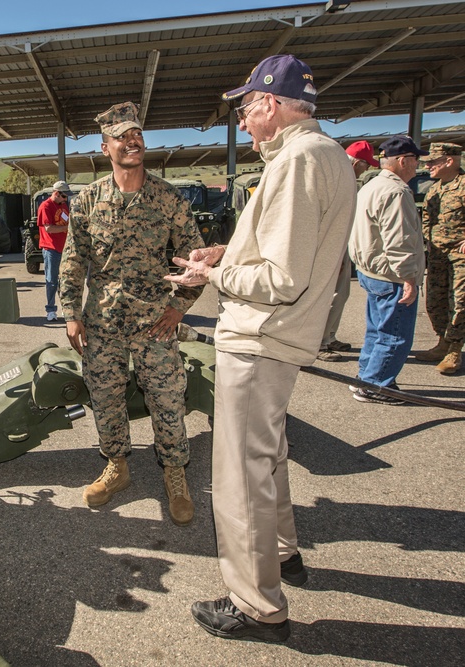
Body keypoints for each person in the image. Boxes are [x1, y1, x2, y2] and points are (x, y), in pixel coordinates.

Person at [166, 55, 356, 642]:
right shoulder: (323, 155)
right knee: (267, 456)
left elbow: (280, 278)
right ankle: (284, 554)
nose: (244, 121)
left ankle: (256, 606)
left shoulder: (296, 162)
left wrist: (211, 279)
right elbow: (285, 253)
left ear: (269, 103)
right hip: (279, 338)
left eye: (246, 107)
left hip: (260, 337)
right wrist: (227, 254)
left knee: (238, 476)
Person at [59, 101, 204, 526]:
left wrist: (179, 309)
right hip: (102, 323)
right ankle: (116, 466)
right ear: (106, 148)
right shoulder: (88, 200)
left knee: (167, 398)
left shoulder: (168, 198)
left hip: (154, 322)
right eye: (121, 136)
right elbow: (72, 260)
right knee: (105, 397)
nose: (131, 141)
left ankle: (175, 474)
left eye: (136, 134)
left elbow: (193, 260)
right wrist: (71, 312)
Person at [347, 136, 426, 404]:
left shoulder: (372, 186)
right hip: (391, 274)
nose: (417, 166)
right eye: (415, 160)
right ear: (403, 160)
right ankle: (376, 386)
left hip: (371, 270)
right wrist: (409, 278)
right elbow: (399, 238)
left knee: (376, 330)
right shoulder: (396, 192)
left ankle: (366, 377)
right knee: (394, 335)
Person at [317, 140, 380, 361]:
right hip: (331, 246)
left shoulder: (345, 179)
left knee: (342, 294)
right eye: (366, 164)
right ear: (356, 162)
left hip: (341, 244)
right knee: (330, 295)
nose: (368, 169)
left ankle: (329, 335)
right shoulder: (338, 180)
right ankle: (319, 343)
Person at [416, 142, 465, 375]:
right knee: (435, 302)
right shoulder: (435, 189)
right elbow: (427, 219)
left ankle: (455, 350)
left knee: (459, 303)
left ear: (449, 161)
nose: (428, 165)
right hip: (437, 255)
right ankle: (442, 342)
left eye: (433, 161)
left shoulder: (464, 185)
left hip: (459, 257)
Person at [37, 180, 71, 321]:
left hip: (64, 248)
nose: (65, 199)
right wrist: (66, 229)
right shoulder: (46, 206)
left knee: (65, 280)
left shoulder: (63, 206)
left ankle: (65, 308)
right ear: (56, 193)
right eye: (64, 196)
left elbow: (67, 221)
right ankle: (50, 310)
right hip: (51, 248)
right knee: (51, 280)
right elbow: (49, 228)